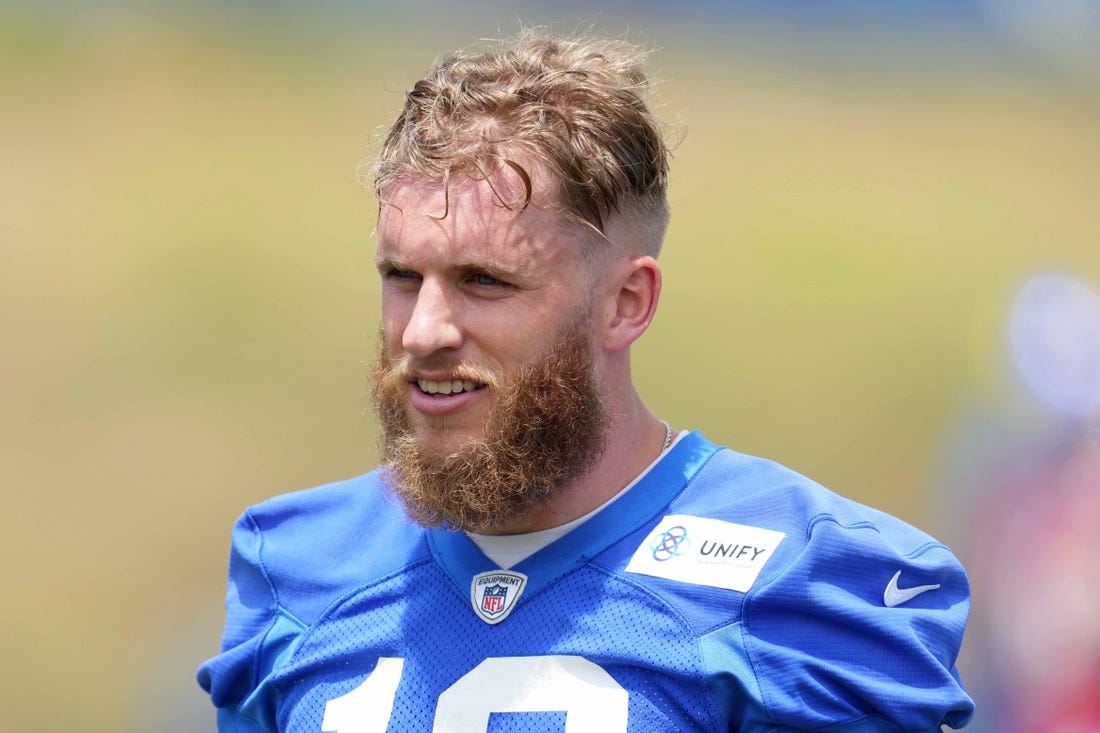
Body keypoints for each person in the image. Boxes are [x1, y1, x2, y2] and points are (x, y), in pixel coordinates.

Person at [197, 30, 975, 732]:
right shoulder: (299, 561)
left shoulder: (803, 581)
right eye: (403, 276)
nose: (423, 330)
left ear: (624, 304)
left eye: (484, 282)